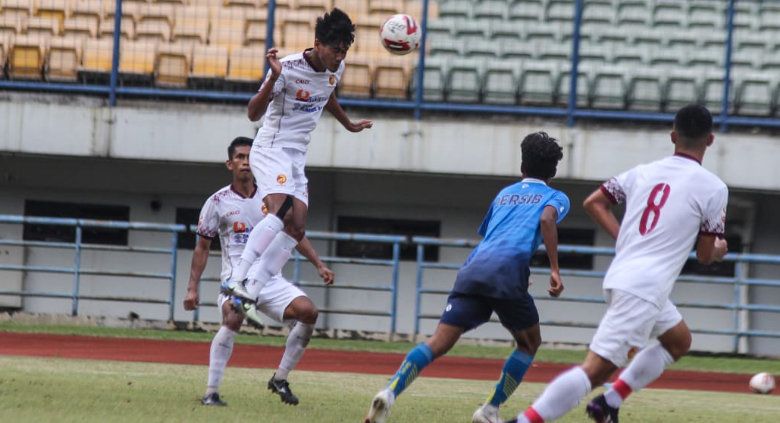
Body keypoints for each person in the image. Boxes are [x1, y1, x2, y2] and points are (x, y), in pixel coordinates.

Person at [509, 105, 729, 423]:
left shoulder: (642, 171)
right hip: (644, 288)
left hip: (626, 277)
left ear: (672, 135)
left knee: (679, 340)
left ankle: (609, 403)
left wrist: (624, 237)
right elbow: (706, 255)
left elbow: (595, 202)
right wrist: (720, 248)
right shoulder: (714, 188)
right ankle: (524, 421)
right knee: (594, 371)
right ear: (710, 140)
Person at [365, 132, 571, 423]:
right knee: (529, 343)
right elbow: (547, 219)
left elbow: (492, 237)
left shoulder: (504, 194)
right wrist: (554, 269)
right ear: (553, 171)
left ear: (522, 167)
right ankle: (489, 410)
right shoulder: (555, 196)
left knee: (438, 341)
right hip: (507, 271)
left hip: (475, 267)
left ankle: (390, 391)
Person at [224, 8, 371, 308]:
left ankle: (252, 289)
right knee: (281, 212)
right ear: (318, 44)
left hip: (295, 156)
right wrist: (273, 78)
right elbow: (253, 113)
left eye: (344, 51)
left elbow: (327, 94)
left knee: (297, 226)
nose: (339, 57)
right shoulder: (287, 67)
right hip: (270, 149)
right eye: (335, 50)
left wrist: (348, 124)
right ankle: (236, 278)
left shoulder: (335, 69)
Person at [183, 137, 335, 407]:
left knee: (309, 312)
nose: (244, 161)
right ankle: (211, 392)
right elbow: (202, 248)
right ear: (230, 164)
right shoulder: (217, 202)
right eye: (239, 157)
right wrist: (192, 287)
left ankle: (280, 378)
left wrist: (319, 264)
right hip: (236, 279)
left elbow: (295, 233)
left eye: (249, 157)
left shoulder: (272, 196)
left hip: (270, 280)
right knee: (233, 316)